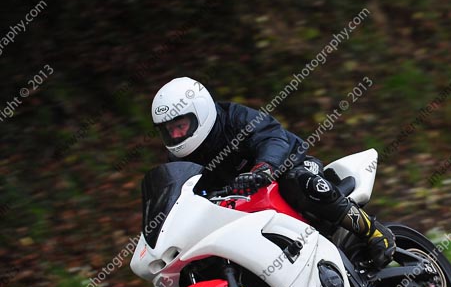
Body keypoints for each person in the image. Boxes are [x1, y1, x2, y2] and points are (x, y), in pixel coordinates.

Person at [150, 76, 395, 269]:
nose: (175, 136)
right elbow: (183, 192)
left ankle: (373, 231)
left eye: (180, 126)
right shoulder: (178, 158)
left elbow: (271, 136)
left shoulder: (235, 117)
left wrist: (263, 167)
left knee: (297, 181)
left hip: (288, 167)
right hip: (241, 205)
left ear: (200, 113)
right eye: (168, 130)